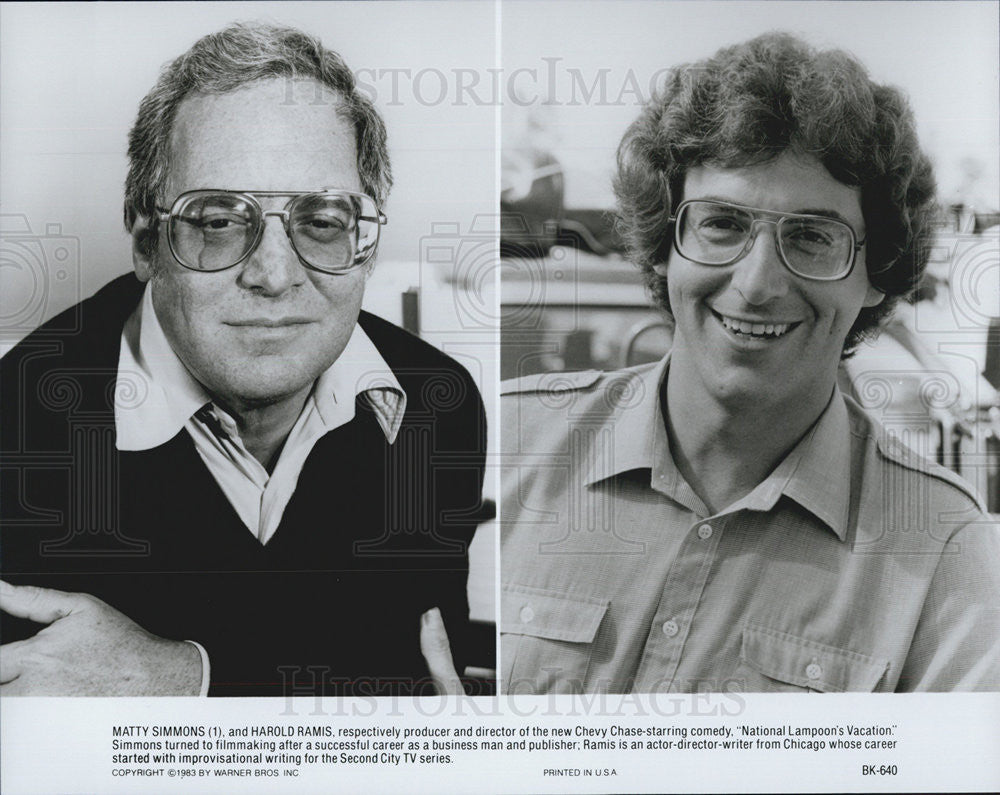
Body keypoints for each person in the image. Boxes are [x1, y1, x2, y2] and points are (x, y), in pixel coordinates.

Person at [500, 32, 1000, 693]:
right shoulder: (508, 444)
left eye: (813, 236)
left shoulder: (943, 551)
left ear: (876, 273)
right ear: (663, 244)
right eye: (723, 224)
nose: (758, 282)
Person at [0, 22, 486, 697]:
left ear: (366, 246)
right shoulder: (16, 429)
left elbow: (425, 675)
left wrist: (178, 676)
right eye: (219, 219)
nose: (274, 274)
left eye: (322, 220)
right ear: (147, 242)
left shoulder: (438, 403)